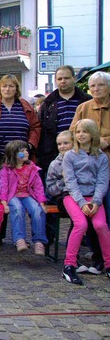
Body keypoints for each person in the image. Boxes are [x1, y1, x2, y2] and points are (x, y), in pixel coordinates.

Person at [61, 119, 110, 284]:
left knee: (100, 225)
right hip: (73, 196)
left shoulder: (101, 157)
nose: (81, 135)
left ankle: (108, 263)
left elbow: (103, 181)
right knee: (80, 224)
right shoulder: (70, 156)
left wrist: (96, 201)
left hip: (94, 198)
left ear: (93, 134)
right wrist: (82, 203)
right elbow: (70, 181)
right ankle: (69, 265)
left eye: (85, 131)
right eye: (78, 131)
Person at [69, 72, 110, 225]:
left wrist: (106, 141)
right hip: (87, 168)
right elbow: (72, 132)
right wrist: (97, 141)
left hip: (107, 164)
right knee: (91, 212)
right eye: (93, 86)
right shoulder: (83, 108)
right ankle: (95, 248)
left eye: (101, 85)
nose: (96, 89)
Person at [37, 65, 91, 178]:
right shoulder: (47, 104)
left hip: (82, 152)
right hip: (54, 154)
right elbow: (41, 129)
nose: (63, 81)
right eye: (60, 79)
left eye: (66, 78)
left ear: (74, 78)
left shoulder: (86, 101)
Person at [0, 140, 48, 254]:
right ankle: (19, 239)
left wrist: (41, 202)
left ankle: (39, 240)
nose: (26, 153)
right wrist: (4, 202)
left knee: (37, 210)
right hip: (13, 195)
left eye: (26, 150)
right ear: (13, 155)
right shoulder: (6, 170)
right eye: (22, 151)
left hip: (28, 194)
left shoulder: (32, 168)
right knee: (17, 209)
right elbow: (4, 187)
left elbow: (38, 186)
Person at [0, 75, 41, 161]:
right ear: (0, 88)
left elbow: (35, 127)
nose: (7, 89)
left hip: (22, 157)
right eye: (4, 86)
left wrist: (30, 144)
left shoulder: (25, 105)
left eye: (11, 86)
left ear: (16, 89)